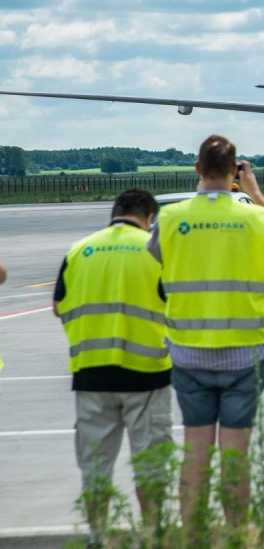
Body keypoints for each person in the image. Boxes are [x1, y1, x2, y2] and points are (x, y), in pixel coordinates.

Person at [150, 135, 264, 528]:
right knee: (236, 454)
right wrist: (256, 193)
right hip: (246, 354)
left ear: (196, 169)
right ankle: (236, 533)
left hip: (188, 351)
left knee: (195, 452)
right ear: (235, 173)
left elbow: (154, 261)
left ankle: (193, 535)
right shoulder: (253, 218)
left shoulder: (170, 218)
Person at [54, 188, 171, 539]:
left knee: (95, 466)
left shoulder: (80, 250)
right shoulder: (156, 251)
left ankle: (97, 536)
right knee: (150, 465)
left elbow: (59, 306)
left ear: (114, 213)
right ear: (150, 218)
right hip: (147, 376)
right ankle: (152, 533)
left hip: (91, 375)